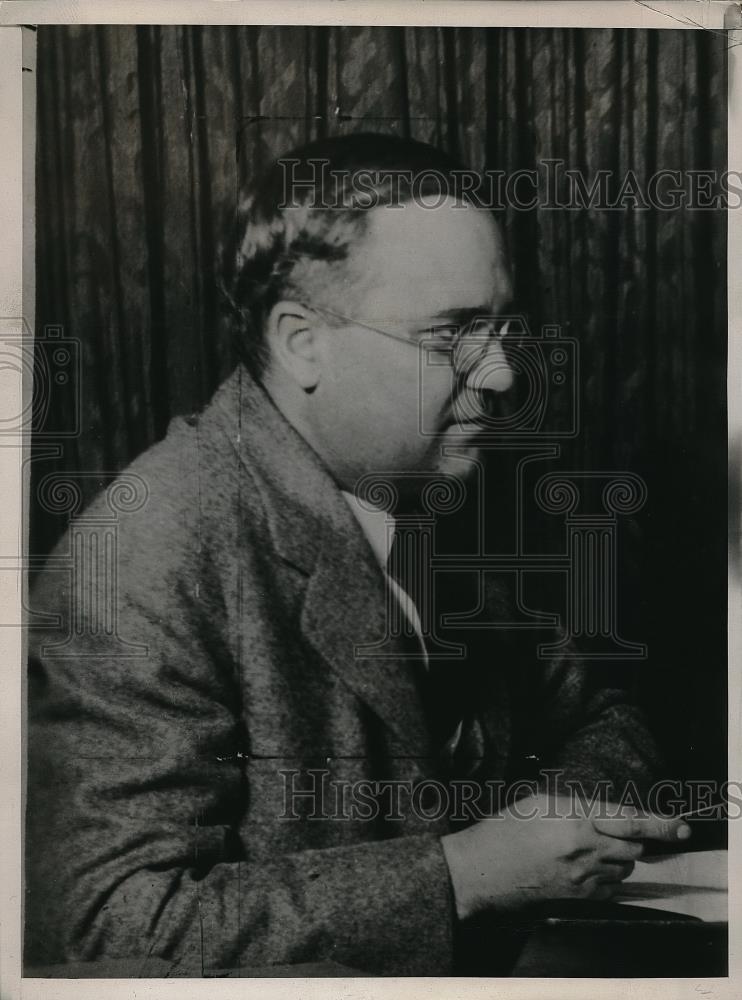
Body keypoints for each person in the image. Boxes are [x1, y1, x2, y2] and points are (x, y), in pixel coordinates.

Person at [25, 133, 688, 977]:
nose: (501, 376)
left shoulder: (427, 482)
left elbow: (600, 718)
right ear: (303, 341)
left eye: (502, 326)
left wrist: (565, 823)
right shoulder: (146, 552)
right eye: (451, 334)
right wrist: (466, 875)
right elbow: (92, 932)